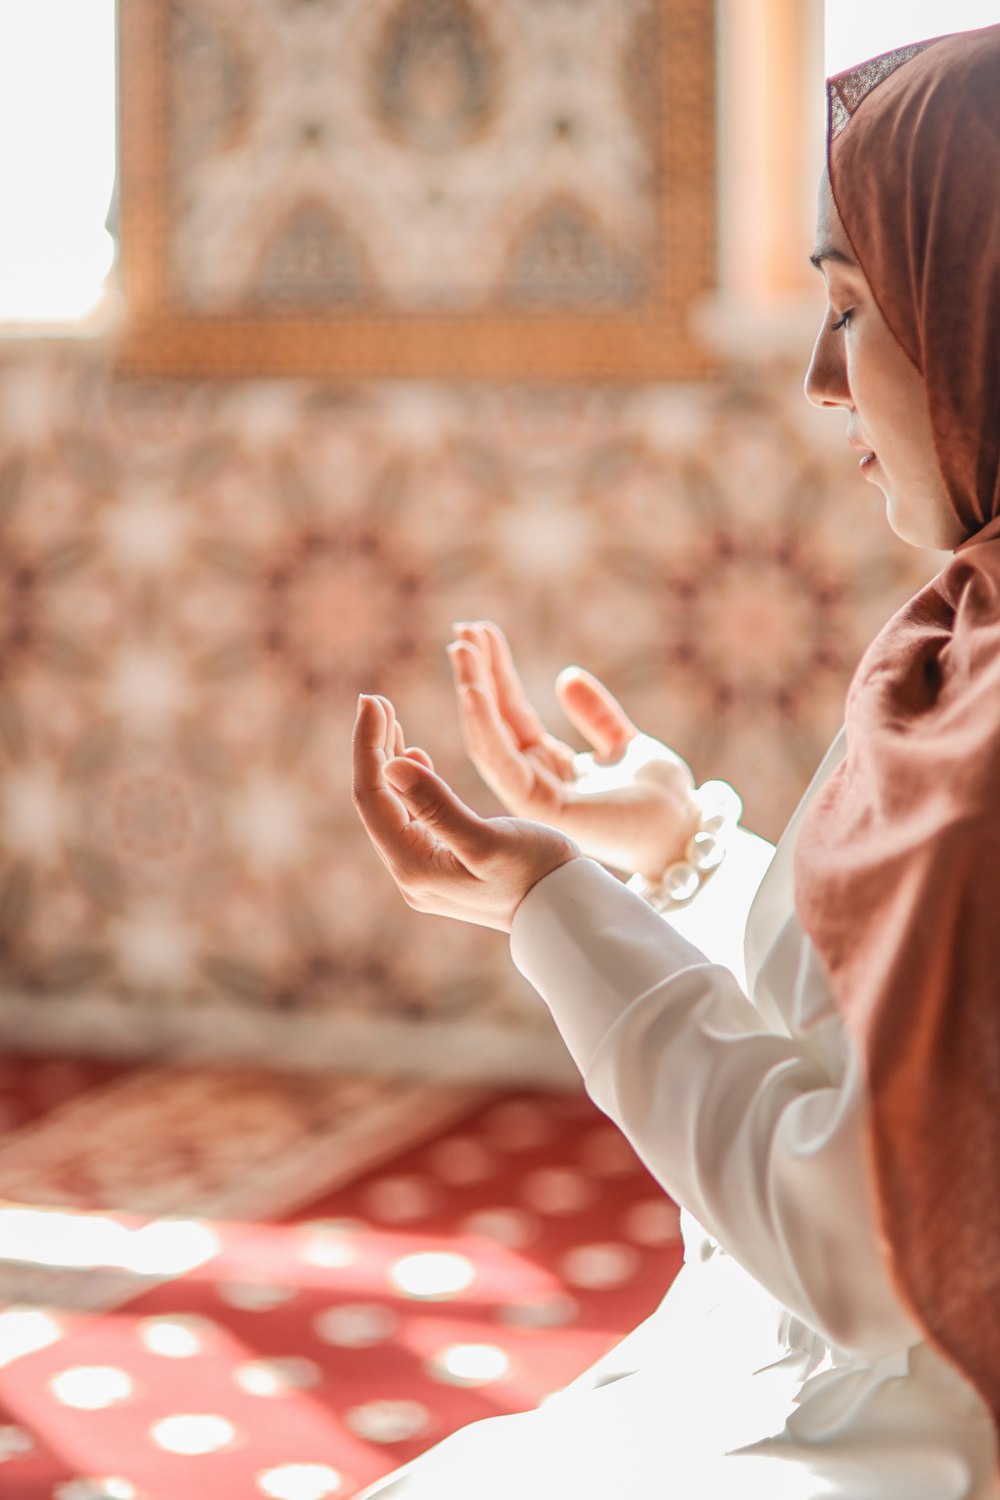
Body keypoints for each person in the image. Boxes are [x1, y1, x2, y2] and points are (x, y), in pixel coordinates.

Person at [352, 26, 1000, 1499]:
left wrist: (557, 916)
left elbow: (865, 1254)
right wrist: (683, 855)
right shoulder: (963, 640)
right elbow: (907, 1030)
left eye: (854, 308)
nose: (821, 380)